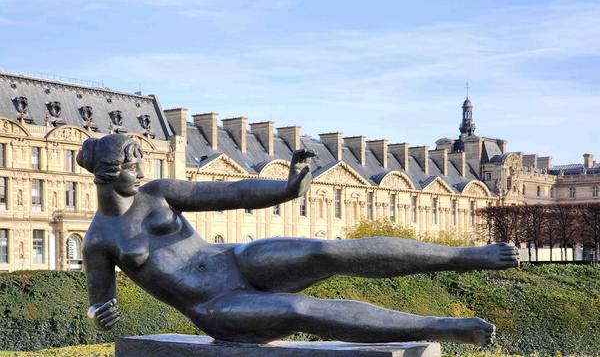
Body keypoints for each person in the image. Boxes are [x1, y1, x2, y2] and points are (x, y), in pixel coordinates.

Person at [77, 133, 518, 346]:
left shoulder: (157, 194)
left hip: (237, 260)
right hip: (216, 307)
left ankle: (468, 255)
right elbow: (100, 304)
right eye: (133, 163)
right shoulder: (99, 241)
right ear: (107, 172)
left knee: (328, 250)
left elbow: (230, 193)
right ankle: (444, 328)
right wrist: (103, 314)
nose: (142, 168)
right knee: (302, 309)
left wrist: (288, 189)